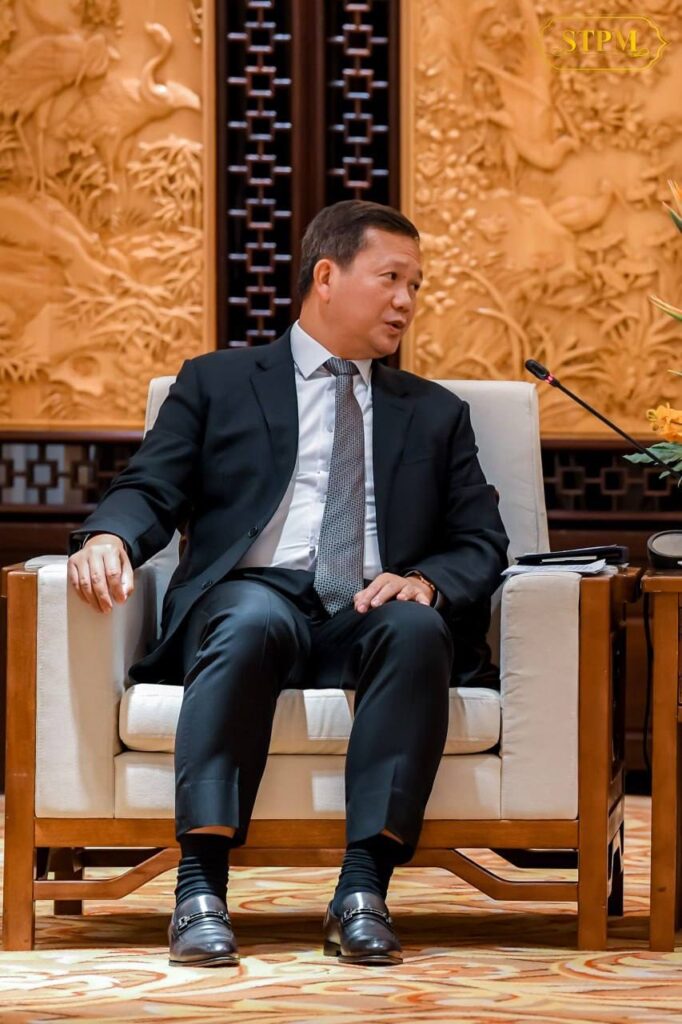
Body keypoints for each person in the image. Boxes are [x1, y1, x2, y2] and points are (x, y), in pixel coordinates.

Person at [67, 199, 509, 968]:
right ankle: (199, 891)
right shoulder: (218, 382)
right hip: (256, 595)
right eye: (391, 278)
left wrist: (426, 582)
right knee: (247, 620)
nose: (407, 300)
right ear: (326, 277)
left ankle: (363, 892)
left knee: (416, 630)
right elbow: (149, 487)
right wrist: (109, 536)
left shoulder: (436, 414)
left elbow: (481, 541)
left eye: (416, 285)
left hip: (369, 605)